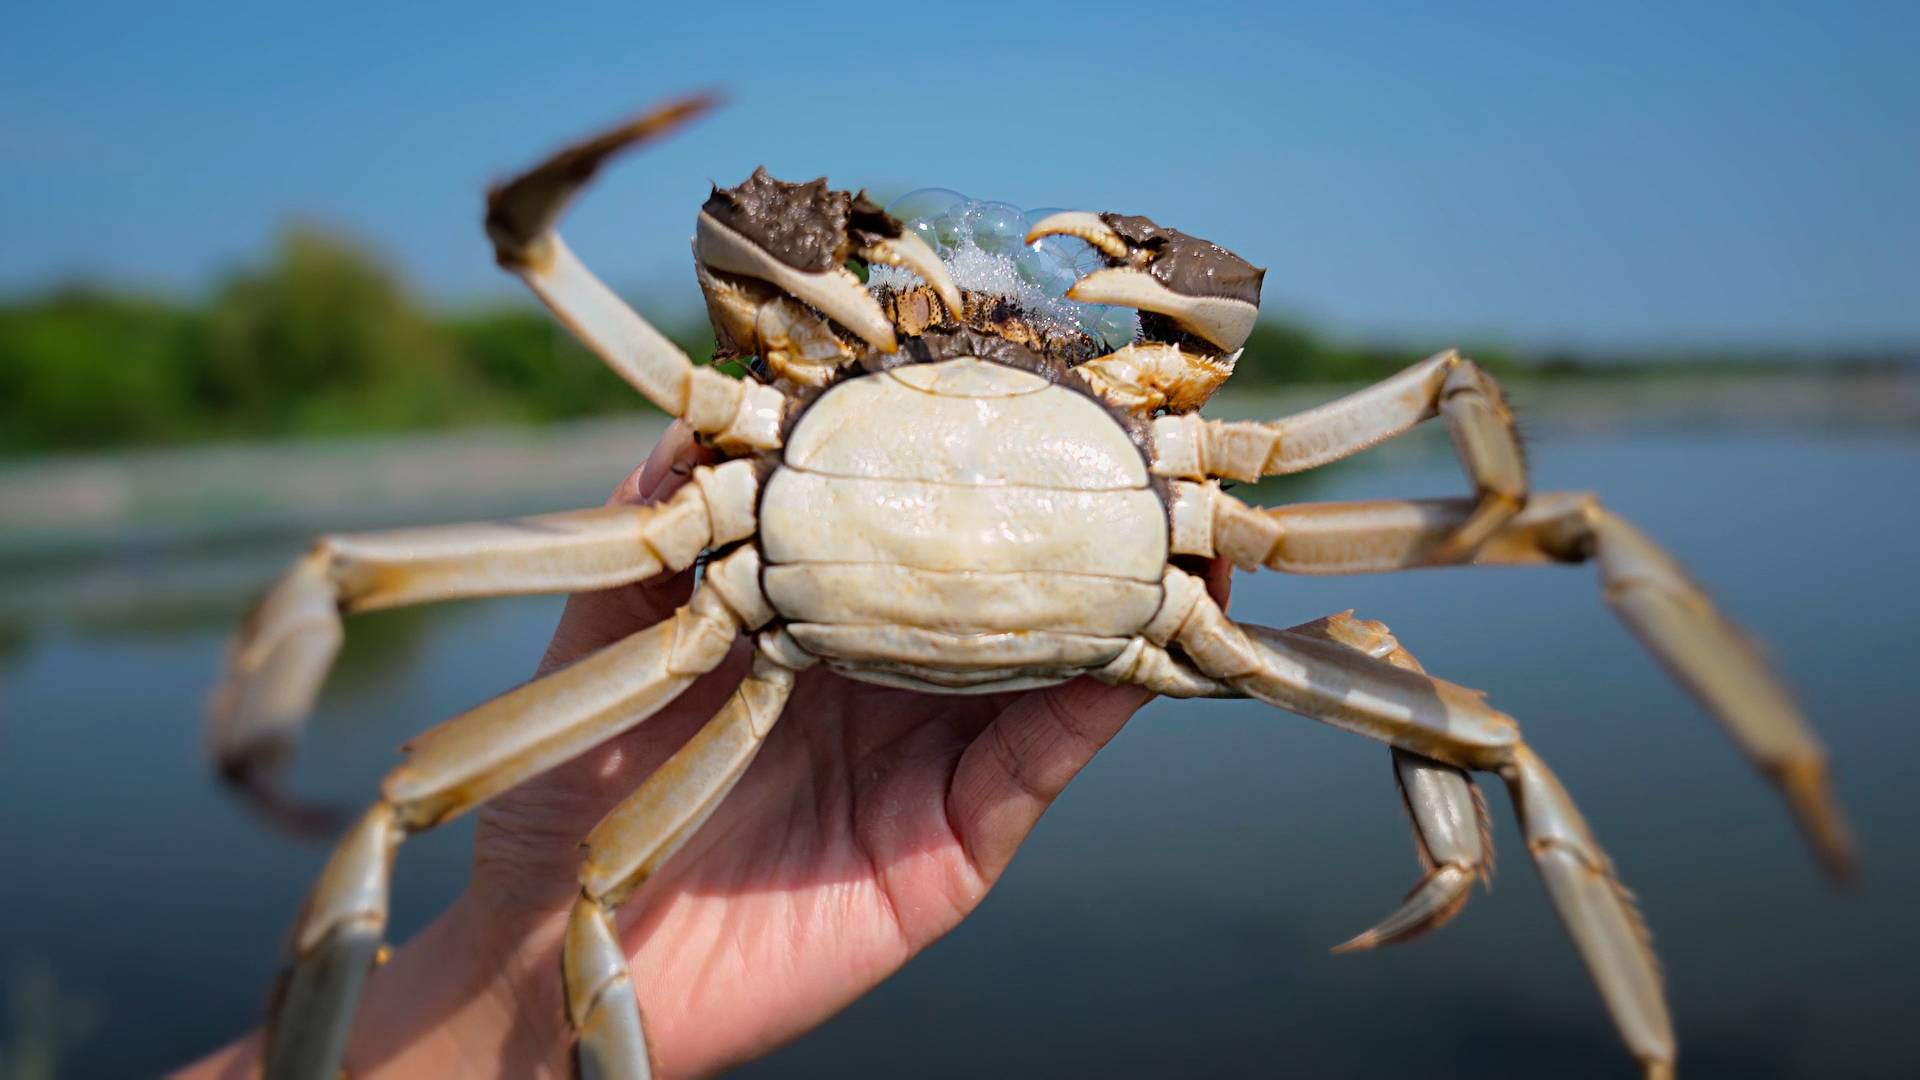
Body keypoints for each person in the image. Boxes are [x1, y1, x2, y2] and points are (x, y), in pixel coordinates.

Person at [179, 421, 1230, 1078]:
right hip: (735, 724)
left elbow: (533, 247)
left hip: (773, 694)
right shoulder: (744, 447)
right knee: (417, 817)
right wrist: (514, 986)